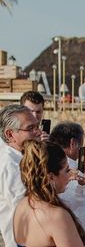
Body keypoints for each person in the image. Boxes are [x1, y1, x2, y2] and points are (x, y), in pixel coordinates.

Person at [12, 140, 85, 247]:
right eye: (67, 170)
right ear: (51, 177)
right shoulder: (56, 216)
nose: (70, 176)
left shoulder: (22, 205)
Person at [0, 104, 42, 246]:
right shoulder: (10, 165)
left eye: (38, 126)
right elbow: (28, 208)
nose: (38, 132)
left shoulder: (25, 157)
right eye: (30, 128)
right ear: (10, 134)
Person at [49, 122, 85, 247]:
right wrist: (80, 185)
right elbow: (71, 203)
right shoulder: (67, 169)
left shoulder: (53, 164)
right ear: (73, 143)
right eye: (81, 143)